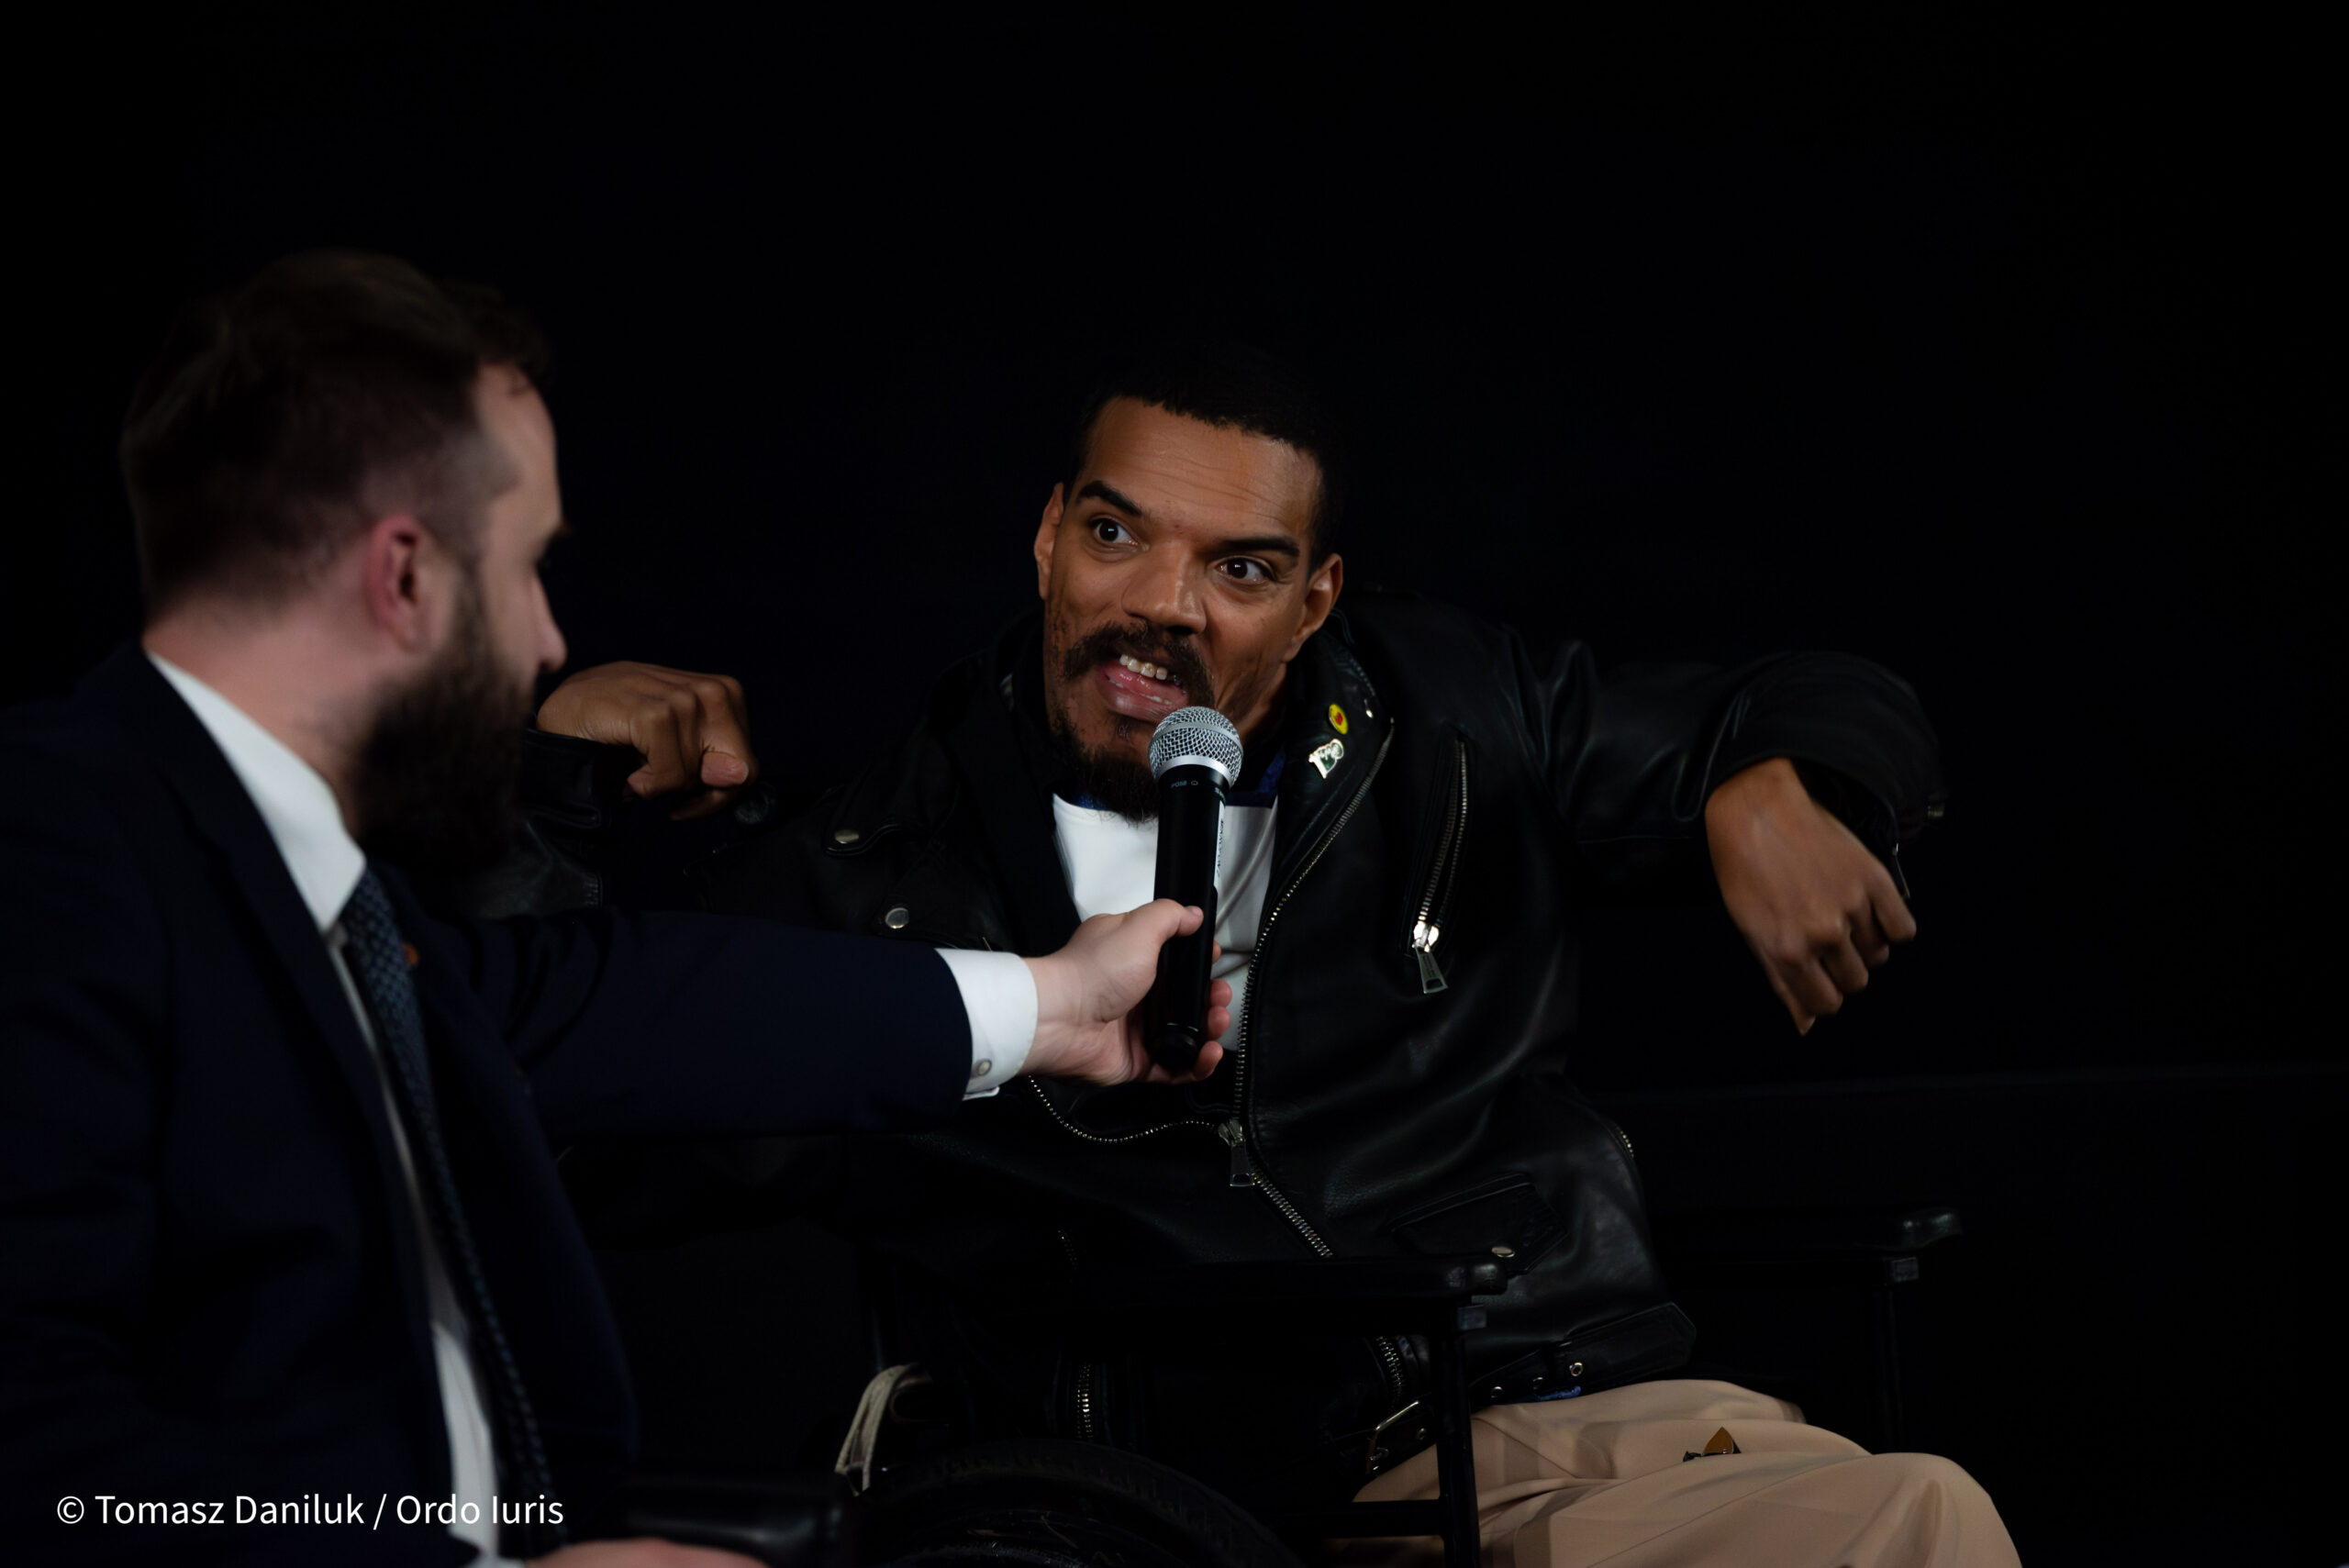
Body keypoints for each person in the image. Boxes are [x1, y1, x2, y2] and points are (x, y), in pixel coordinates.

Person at [518, 344, 2021, 1565]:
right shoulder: (872, 869)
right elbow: (548, 1127)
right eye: (1116, 535)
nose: (1161, 608)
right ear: (1047, 537)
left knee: (1899, 1510)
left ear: (1314, 602)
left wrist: (1779, 778)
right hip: (1182, 1495)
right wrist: (544, 804)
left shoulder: (1455, 723)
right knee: (1908, 1519)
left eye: (1239, 569)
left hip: (1559, 1409)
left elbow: (1825, 695)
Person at [0, 254, 1230, 1568]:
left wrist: (1055, 1001)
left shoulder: (301, 887)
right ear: (402, 576)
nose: (546, 639)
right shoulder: (53, 858)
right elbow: (46, 1473)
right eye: (526, 568)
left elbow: (624, 996)